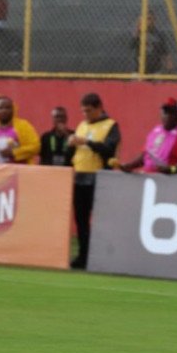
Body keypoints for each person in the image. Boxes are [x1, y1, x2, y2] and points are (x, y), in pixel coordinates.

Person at [66, 92, 121, 269]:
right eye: (83, 111)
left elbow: (109, 149)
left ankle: (100, 257)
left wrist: (87, 142)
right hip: (80, 177)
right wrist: (71, 144)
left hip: (99, 178)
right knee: (81, 221)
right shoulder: (82, 125)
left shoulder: (110, 125)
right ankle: (83, 256)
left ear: (99, 108)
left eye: (89, 111)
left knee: (99, 222)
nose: (85, 115)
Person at [116, 98, 177, 174]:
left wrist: (171, 169)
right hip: (151, 178)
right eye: (164, 112)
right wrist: (130, 166)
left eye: (170, 113)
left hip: (171, 181)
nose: (166, 116)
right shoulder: (156, 131)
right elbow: (145, 155)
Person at [0, 96, 40, 167]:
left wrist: (13, 153)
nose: (4, 111)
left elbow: (35, 147)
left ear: (13, 109)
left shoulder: (24, 126)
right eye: (0, 108)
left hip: (22, 172)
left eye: (7, 108)